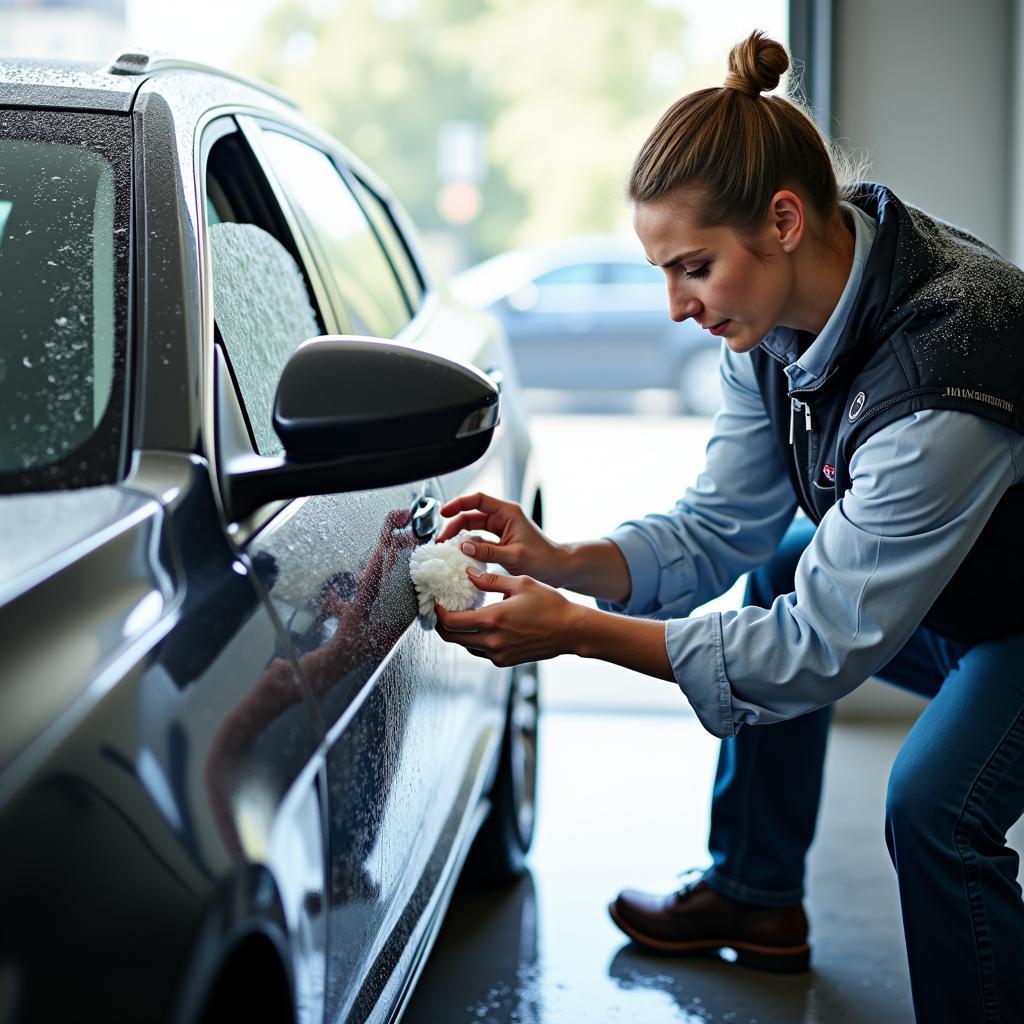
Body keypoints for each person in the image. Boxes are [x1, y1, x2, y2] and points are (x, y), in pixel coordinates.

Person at [433, 28, 1024, 1024]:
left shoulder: (946, 368)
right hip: (974, 586)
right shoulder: (771, 321)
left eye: (692, 267)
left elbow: (818, 645)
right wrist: (557, 557)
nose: (675, 306)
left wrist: (573, 631)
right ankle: (753, 898)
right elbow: (720, 523)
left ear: (783, 219)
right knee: (783, 564)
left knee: (934, 809)